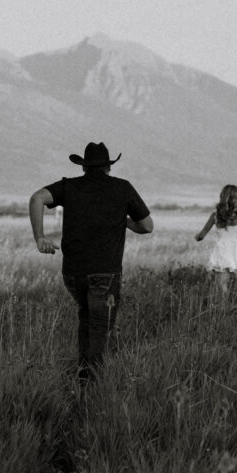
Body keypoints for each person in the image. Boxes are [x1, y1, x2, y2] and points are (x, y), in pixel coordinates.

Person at [29, 141, 153, 386]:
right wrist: (123, 220)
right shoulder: (122, 188)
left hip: (73, 272)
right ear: (109, 166)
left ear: (84, 166)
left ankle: (83, 374)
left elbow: (37, 198)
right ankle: (90, 386)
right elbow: (147, 226)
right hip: (105, 271)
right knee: (99, 327)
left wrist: (40, 237)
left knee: (86, 319)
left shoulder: (70, 187)